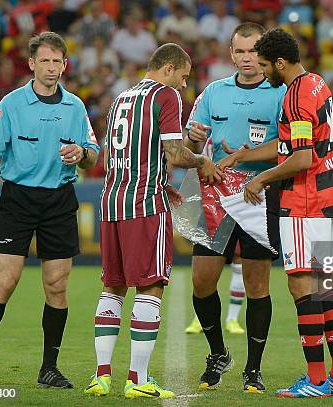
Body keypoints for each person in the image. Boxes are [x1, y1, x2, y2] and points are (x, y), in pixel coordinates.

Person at [219, 27, 333, 398]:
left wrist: (259, 179)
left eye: (265, 65)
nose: (262, 72)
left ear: (280, 62)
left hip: (305, 203)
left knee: (301, 286)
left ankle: (314, 380)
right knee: (327, 287)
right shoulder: (317, 84)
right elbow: (298, 143)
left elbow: (302, 157)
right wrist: (247, 155)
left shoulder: (294, 97)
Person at [84, 43, 222, 399]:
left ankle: (101, 377)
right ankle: (138, 378)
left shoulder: (121, 97)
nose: (183, 86)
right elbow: (176, 153)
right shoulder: (165, 96)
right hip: (144, 204)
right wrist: (203, 163)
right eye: (183, 77)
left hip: (112, 201)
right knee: (150, 287)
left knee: (112, 286)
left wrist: (161, 179)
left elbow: (130, 150)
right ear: (168, 69)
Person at [0, 31, 100, 389]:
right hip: (19, 199)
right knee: (4, 281)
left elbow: (93, 153)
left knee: (57, 285)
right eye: (45, 61)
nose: (52, 67)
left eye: (58, 61)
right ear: (31, 64)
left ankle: (49, 368)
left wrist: (81, 155)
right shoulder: (10, 104)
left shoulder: (75, 106)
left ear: (65, 65)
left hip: (59, 199)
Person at [183, 22, 285, 393]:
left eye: (253, 50)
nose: (246, 58)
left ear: (265, 53)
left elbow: (287, 149)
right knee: (202, 279)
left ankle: (253, 369)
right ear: (231, 53)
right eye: (239, 51)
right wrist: (196, 148)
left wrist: (245, 158)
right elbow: (190, 140)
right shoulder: (213, 92)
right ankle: (218, 353)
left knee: (258, 284)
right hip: (214, 196)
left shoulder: (281, 93)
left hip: (259, 193)